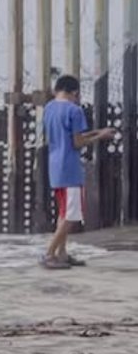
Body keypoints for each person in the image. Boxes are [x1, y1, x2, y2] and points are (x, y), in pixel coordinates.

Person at [40, 75, 117, 269]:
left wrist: (98, 131)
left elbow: (66, 137)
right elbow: (77, 142)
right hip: (70, 169)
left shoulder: (48, 109)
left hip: (55, 166)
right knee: (72, 215)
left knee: (63, 212)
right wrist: (101, 137)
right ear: (74, 92)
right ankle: (49, 253)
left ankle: (62, 253)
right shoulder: (74, 110)